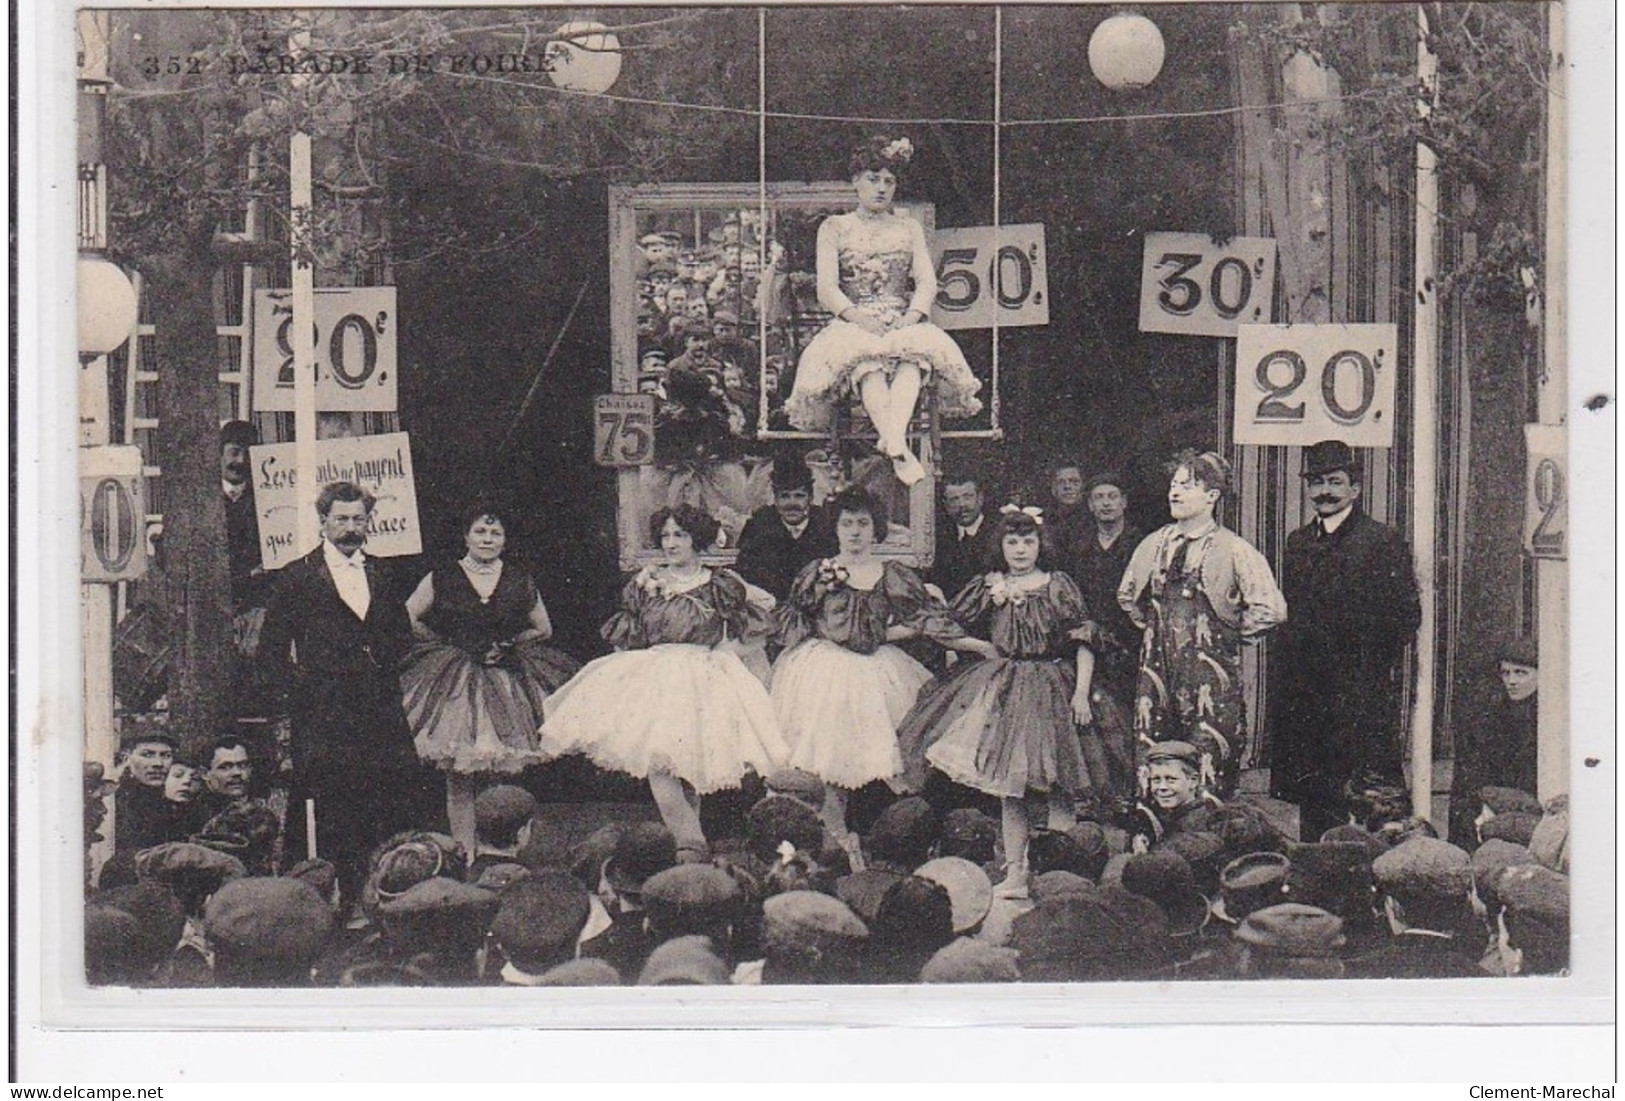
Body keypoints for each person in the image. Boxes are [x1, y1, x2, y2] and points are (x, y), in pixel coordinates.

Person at [538, 505, 789, 860]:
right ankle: (694, 849)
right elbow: (629, 635)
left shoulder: (721, 583)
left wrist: (723, 648)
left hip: (705, 674)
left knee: (688, 770)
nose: (671, 544)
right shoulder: (647, 583)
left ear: (697, 539)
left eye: (680, 535)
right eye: (666, 536)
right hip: (658, 677)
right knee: (662, 770)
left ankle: (687, 857)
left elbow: (761, 612)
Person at [897, 505, 1107, 899]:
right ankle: (1014, 873)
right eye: (1012, 542)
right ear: (1002, 546)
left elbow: (1083, 638)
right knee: (1011, 791)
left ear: (1040, 544)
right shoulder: (989, 585)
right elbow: (942, 624)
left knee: (1059, 786)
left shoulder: (1057, 583)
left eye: (1028, 541)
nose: (1021, 550)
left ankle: (1057, 871)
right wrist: (979, 645)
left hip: (1052, 686)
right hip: (1005, 687)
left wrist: (1081, 692)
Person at [771, 486, 989, 859]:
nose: (854, 532)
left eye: (863, 523)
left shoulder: (890, 573)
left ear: (876, 530)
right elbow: (796, 617)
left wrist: (973, 646)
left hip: (878, 669)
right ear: (836, 528)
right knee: (827, 759)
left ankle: (884, 846)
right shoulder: (819, 572)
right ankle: (833, 844)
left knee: (888, 757)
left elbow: (921, 620)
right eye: (847, 523)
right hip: (824, 669)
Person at [259, 481, 444, 910]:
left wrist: (378, 662)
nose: (350, 528)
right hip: (324, 714)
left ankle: (385, 898)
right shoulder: (297, 576)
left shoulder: (382, 571)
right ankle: (333, 902)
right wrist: (303, 689)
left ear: (368, 522)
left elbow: (400, 635)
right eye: (341, 519)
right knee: (332, 806)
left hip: (379, 711)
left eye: (358, 519)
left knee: (388, 798)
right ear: (323, 522)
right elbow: (270, 650)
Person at [784, 136, 981, 486]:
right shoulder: (835, 228)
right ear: (856, 181)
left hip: (900, 316)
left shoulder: (907, 227)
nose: (881, 188)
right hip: (855, 318)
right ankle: (897, 443)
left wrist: (913, 315)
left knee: (913, 356)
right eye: (873, 179)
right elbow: (826, 288)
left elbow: (926, 281)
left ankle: (893, 441)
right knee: (867, 361)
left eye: (889, 181)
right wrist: (860, 319)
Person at [399, 504, 580, 849]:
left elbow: (543, 628)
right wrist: (445, 641)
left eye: (495, 533)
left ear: (505, 540)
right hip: (453, 682)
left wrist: (510, 644)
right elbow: (408, 616)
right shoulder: (442, 575)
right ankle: (465, 852)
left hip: (504, 679)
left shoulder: (518, 578)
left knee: (499, 770)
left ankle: (499, 849)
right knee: (460, 774)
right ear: (466, 536)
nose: (488, 539)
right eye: (480, 532)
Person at [1268, 441, 1423, 842]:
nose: (1325, 491)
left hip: (1359, 693)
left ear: (1356, 489)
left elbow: (1406, 616)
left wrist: (1366, 663)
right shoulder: (1298, 542)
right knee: (1315, 798)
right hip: (1307, 694)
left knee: (1370, 800)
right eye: (1316, 482)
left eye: (1335, 482)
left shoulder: (1380, 541)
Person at [1118, 450, 1286, 798]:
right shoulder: (1153, 544)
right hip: (1158, 674)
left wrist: (1230, 634)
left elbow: (1271, 609)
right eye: (1173, 485)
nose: (1174, 493)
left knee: (1210, 758)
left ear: (1212, 496)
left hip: (1211, 678)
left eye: (1187, 486)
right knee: (1155, 759)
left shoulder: (1234, 549)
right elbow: (1128, 598)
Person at [1449, 638, 1541, 846]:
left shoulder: (1550, 719)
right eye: (1506, 673)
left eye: (1521, 673)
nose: (1512, 681)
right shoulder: (1492, 718)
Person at [732, 456, 837, 603]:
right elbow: (744, 572)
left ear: (811, 498)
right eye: (784, 496)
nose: (791, 503)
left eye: (799, 496)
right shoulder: (758, 526)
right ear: (775, 499)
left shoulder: (826, 525)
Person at [930, 472, 1002, 602]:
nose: (962, 504)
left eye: (967, 497)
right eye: (954, 499)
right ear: (946, 505)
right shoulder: (940, 536)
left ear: (980, 499)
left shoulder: (999, 532)